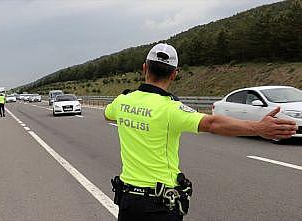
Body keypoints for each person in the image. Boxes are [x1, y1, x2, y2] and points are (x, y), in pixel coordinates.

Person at [104, 43, 297, 221]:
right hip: (159, 205)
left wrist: (133, 118)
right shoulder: (171, 109)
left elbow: (108, 115)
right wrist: (257, 128)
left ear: (145, 67)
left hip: (128, 202)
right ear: (174, 74)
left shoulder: (123, 101)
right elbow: (211, 123)